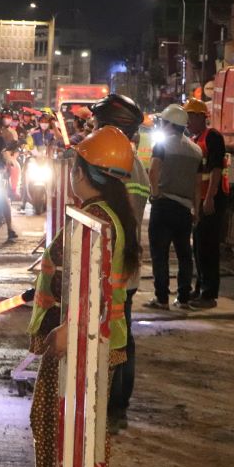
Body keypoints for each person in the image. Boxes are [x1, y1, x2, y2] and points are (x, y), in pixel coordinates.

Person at [0, 126, 140, 467]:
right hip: (90, 344)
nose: (71, 175)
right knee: (62, 429)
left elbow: (90, 287)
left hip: (82, 346)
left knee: (67, 433)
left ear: (87, 174)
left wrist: (67, 330)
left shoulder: (95, 221)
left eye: (76, 168)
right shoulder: (108, 215)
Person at [90, 94, 150, 433]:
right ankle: (119, 399)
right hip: (124, 266)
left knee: (114, 335)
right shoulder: (134, 163)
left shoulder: (116, 163)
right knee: (122, 331)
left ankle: (113, 401)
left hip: (110, 267)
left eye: (99, 125)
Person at [145, 104, 202, 310]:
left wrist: (155, 194)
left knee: (160, 254)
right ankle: (184, 298)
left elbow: (153, 171)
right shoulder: (196, 150)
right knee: (184, 255)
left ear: (169, 124)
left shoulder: (162, 145)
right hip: (185, 209)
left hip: (164, 205)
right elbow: (197, 184)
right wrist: (196, 209)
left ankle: (161, 298)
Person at [184, 98, 228, 309]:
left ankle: (209, 294)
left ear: (202, 117)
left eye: (191, 116)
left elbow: (216, 169)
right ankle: (200, 288)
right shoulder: (195, 138)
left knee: (208, 247)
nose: (188, 121)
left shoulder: (213, 137)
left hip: (212, 199)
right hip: (200, 199)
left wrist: (210, 197)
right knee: (199, 247)